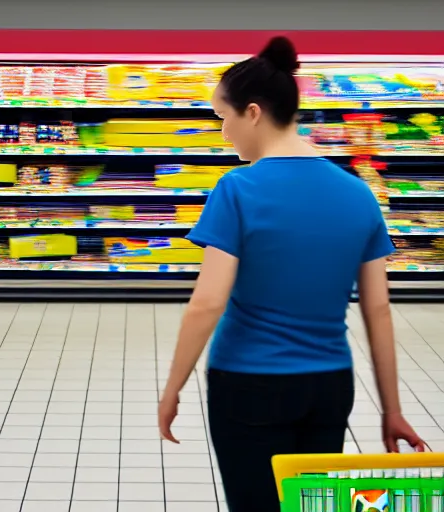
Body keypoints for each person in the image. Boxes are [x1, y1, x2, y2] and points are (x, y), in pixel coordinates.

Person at [158, 36, 425, 512]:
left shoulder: (237, 189)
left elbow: (208, 302)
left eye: (225, 119)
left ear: (254, 113)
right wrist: (393, 409)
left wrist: (172, 388)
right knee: (311, 505)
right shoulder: (357, 193)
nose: (224, 134)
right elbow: (378, 308)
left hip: (248, 383)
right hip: (328, 385)